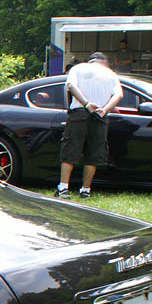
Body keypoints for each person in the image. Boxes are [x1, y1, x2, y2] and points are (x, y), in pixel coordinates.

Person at [58, 51, 123, 199]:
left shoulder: (78, 68)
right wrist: (105, 109)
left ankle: (63, 188)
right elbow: (119, 95)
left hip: (79, 112)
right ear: (103, 62)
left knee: (70, 149)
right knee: (94, 153)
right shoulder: (111, 74)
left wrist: (86, 103)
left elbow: (71, 86)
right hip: (100, 115)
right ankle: (86, 190)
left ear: (90, 61)